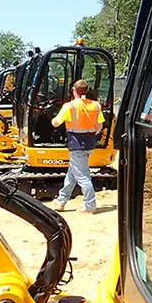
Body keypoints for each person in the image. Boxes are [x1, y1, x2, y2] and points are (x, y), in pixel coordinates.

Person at [50, 79, 105, 214]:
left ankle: (89, 206)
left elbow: (56, 123)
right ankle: (61, 200)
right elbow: (100, 126)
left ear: (74, 91)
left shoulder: (70, 106)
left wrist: (52, 119)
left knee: (83, 176)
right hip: (90, 145)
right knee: (73, 173)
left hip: (76, 145)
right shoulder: (96, 106)